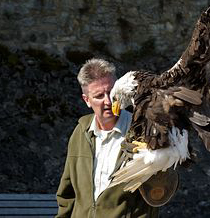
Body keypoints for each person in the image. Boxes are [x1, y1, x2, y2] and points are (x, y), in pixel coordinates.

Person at [56, 58, 159, 217]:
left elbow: (159, 193)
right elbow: (67, 194)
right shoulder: (80, 133)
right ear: (87, 100)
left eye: (111, 92)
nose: (108, 101)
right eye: (99, 96)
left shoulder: (143, 131)